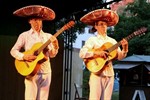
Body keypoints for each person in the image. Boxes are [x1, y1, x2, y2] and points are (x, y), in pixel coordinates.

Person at [10, 5, 59, 100]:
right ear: (30, 21)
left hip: (46, 72)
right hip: (31, 72)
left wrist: (56, 46)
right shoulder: (24, 35)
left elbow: (52, 55)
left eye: (39, 20)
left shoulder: (48, 36)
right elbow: (13, 50)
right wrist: (24, 57)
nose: (37, 23)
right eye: (35, 20)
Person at [79, 9, 128, 100]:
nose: (104, 26)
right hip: (97, 73)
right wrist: (98, 53)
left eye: (105, 24)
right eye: (101, 24)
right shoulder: (92, 40)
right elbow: (82, 53)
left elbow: (120, 56)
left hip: (109, 74)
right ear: (96, 26)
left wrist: (125, 48)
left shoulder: (112, 41)